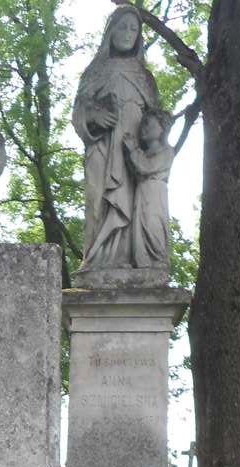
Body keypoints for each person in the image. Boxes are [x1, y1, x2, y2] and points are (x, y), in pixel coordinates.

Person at [73, 5, 160, 271]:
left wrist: (148, 147)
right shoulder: (95, 72)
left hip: (133, 153)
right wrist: (93, 117)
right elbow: (78, 112)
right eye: (123, 26)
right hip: (102, 148)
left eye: (134, 29)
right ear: (111, 31)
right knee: (98, 202)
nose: (128, 33)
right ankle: (97, 260)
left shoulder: (145, 77)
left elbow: (157, 121)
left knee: (135, 208)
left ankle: (131, 258)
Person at [125, 109, 174, 269]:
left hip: (155, 193)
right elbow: (138, 171)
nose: (143, 129)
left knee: (153, 224)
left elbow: (147, 167)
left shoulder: (167, 151)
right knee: (140, 227)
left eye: (148, 124)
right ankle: (143, 262)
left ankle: (157, 261)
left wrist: (133, 150)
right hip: (142, 192)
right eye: (142, 125)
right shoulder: (144, 152)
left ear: (161, 128)